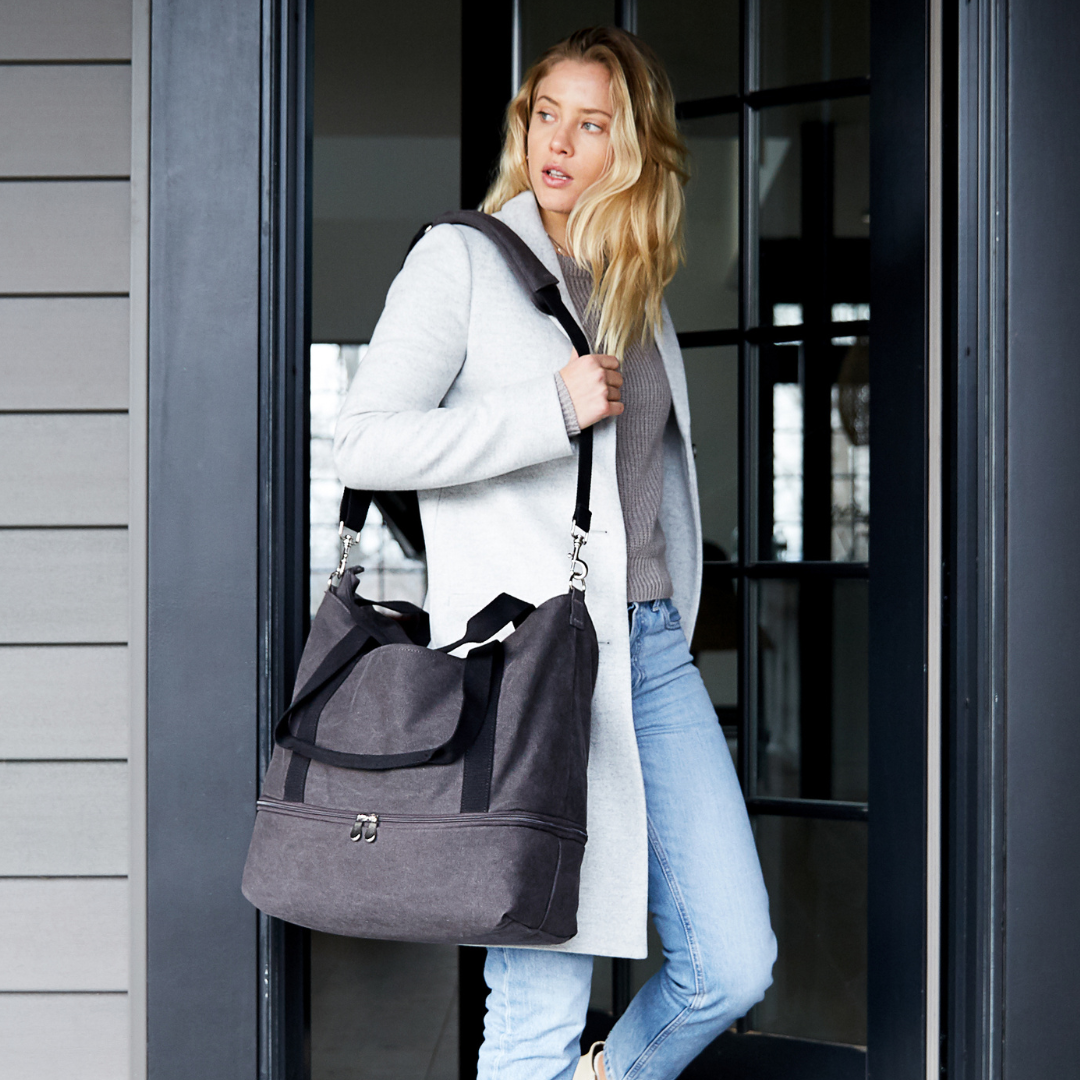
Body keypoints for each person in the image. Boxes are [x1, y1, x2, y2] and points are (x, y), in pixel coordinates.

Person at [333, 25, 776, 1080]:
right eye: (548, 117)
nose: (561, 145)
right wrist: (546, 410)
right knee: (533, 1006)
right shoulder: (465, 261)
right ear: (523, 127)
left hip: (653, 657)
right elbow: (364, 439)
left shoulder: (636, 283)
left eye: (592, 123)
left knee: (732, 964)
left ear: (632, 147)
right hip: (532, 669)